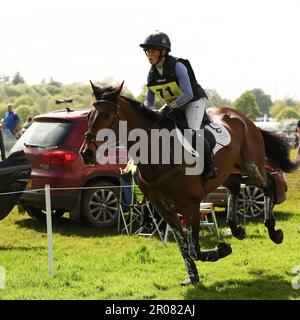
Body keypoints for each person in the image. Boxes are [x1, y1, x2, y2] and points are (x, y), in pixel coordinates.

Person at [140, 30, 218, 180]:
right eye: (148, 51)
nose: (149, 54)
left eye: (153, 50)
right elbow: (149, 100)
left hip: (193, 101)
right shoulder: (152, 74)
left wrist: (172, 105)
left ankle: (210, 166)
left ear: (163, 52)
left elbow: (187, 94)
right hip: (174, 104)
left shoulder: (177, 66)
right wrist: (147, 110)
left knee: (193, 130)